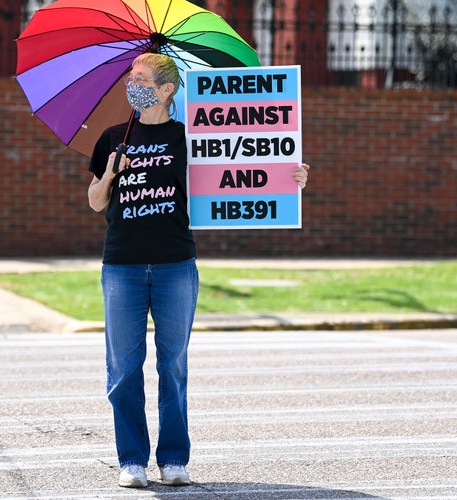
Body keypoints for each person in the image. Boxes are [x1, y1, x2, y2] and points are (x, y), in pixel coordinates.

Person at [87, 52, 309, 489]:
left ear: (167, 89)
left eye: (142, 78)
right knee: (124, 368)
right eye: (132, 78)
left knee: (173, 365)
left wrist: (290, 177)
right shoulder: (114, 137)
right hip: (122, 267)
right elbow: (96, 201)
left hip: (175, 265)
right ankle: (131, 460)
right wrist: (110, 173)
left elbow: (244, 166)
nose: (133, 85)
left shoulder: (190, 138)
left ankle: (173, 460)